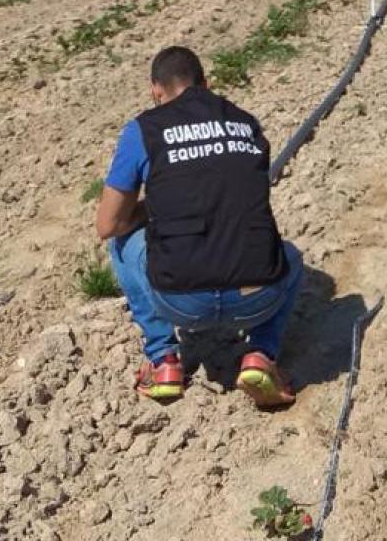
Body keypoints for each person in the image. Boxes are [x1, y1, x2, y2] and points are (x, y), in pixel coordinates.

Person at [96, 46, 302, 407]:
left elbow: (107, 223)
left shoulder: (144, 130)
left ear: (156, 92)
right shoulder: (246, 123)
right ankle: (260, 355)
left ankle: (163, 361)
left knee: (120, 240)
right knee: (292, 257)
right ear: (206, 84)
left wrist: (151, 209)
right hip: (257, 297)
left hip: (181, 300)